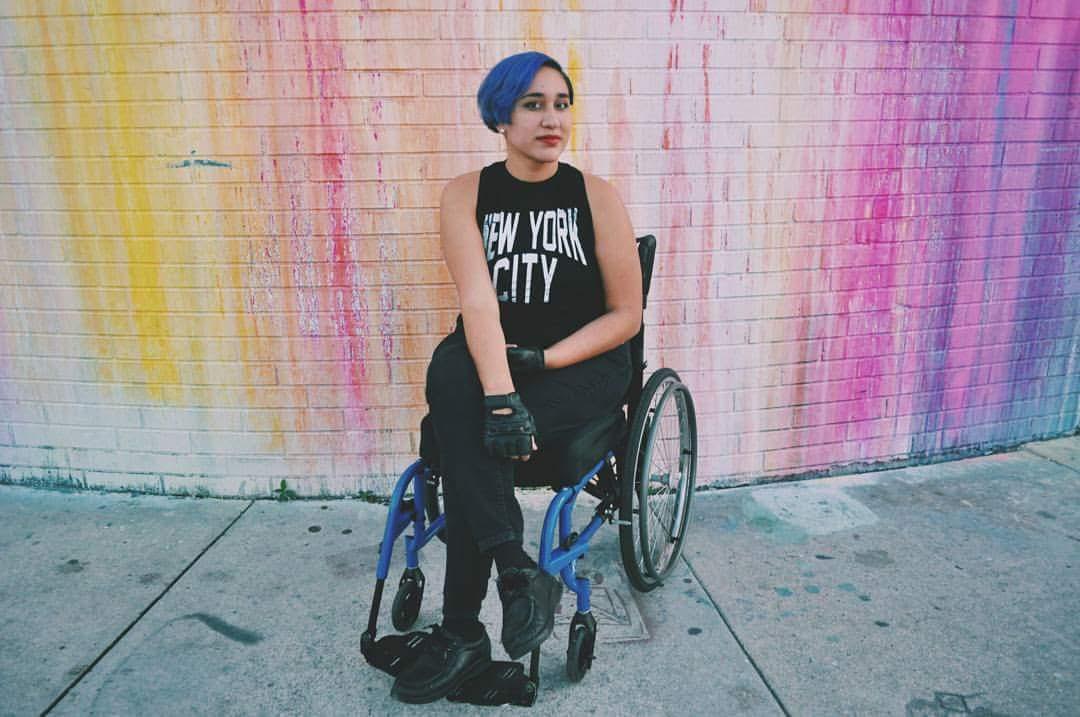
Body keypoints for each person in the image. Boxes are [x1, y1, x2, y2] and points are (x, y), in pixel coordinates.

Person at [391, 51, 643, 704]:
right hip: (498, 359)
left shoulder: (597, 197)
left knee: (465, 414)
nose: (552, 117)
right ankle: (515, 571)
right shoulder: (467, 194)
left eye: (561, 103)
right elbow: (477, 300)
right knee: (456, 365)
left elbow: (626, 315)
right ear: (501, 114)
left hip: (582, 367)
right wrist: (502, 392)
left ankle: (461, 629)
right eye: (534, 103)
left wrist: (546, 361)